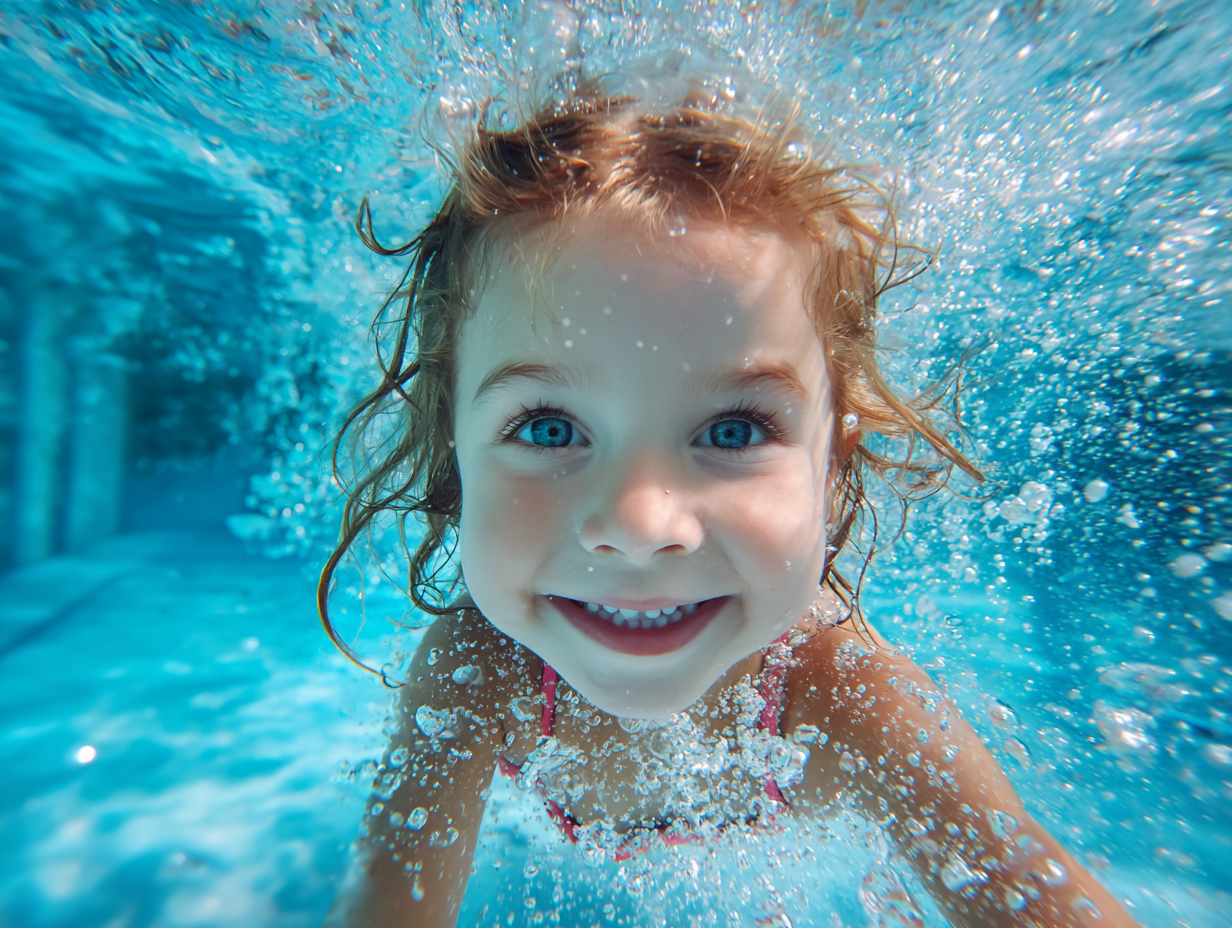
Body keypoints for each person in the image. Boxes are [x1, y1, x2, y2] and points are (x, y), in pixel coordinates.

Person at [321, 84, 1136, 928]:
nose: (639, 526)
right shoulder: (477, 678)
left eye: (736, 429)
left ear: (833, 461)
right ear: (453, 447)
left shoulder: (849, 701)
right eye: (550, 427)